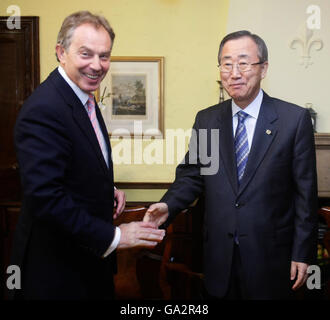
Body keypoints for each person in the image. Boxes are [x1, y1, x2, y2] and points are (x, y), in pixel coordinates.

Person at [144, 30, 318, 300]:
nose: (234, 72)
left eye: (244, 63)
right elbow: (193, 175)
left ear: (263, 68)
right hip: (218, 258)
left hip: (271, 258)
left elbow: (305, 195)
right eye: (226, 63)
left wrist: (302, 252)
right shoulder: (207, 120)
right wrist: (168, 205)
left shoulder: (293, 120)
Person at [10, 11, 165, 300]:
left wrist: (108, 190)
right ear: (61, 52)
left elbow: (73, 166)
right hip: (57, 272)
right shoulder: (45, 108)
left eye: (104, 56)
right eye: (86, 54)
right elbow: (46, 197)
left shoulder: (83, 99)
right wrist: (118, 237)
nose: (97, 65)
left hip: (86, 264)